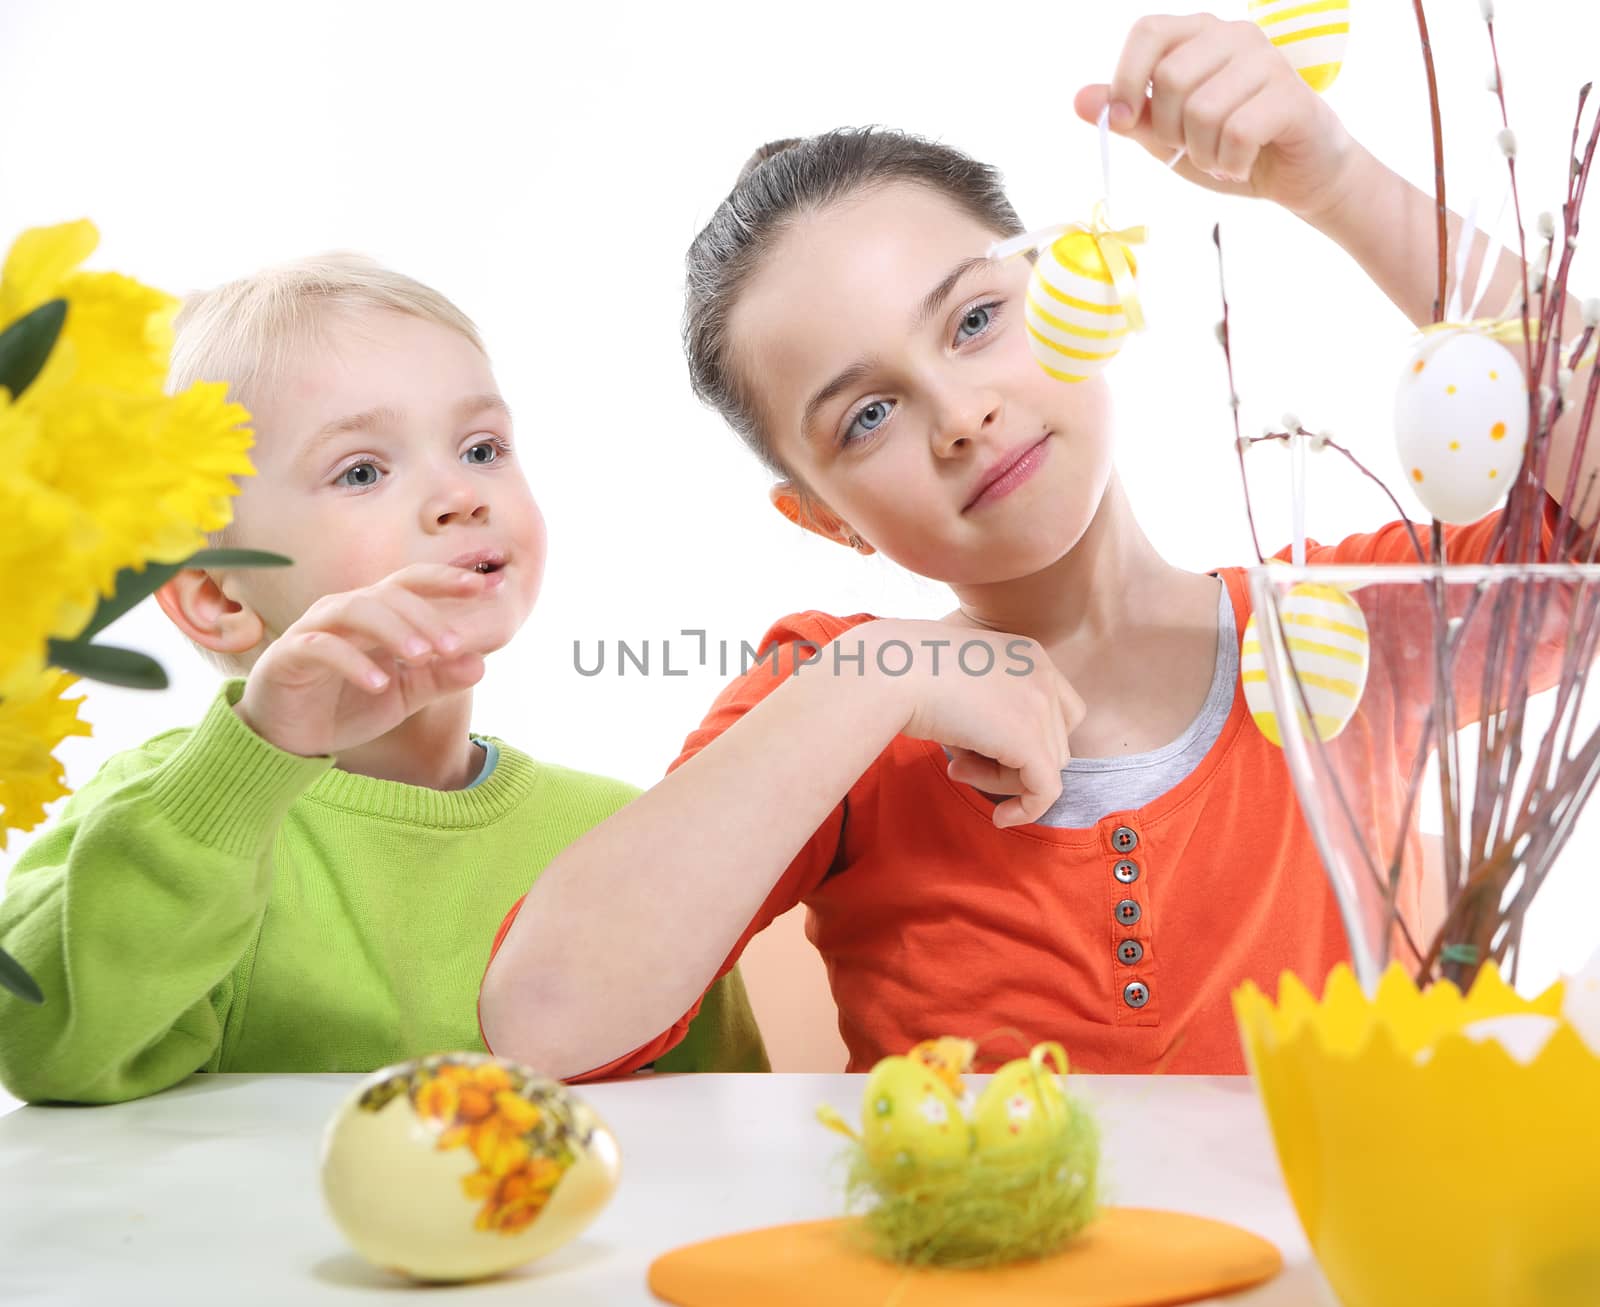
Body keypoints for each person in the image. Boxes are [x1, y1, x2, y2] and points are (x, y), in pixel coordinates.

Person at [480, 14, 1589, 1077]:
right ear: (825, 521)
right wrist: (873, 677)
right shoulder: (834, 694)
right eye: (866, 416)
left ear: (1067, 285)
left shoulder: (1336, 629)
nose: (958, 413)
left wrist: (1329, 179)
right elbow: (547, 1020)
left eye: (972, 320)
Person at [0, 253, 767, 1104]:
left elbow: (723, 1132)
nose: (458, 495)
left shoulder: (620, 836)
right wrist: (251, 759)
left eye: (482, 449)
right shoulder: (168, 816)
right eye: (362, 470)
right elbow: (43, 1047)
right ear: (218, 596)